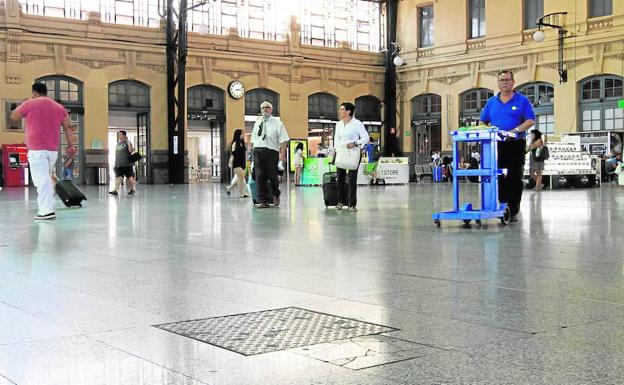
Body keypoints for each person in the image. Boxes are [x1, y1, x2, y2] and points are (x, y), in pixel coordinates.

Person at [10, 82, 75, 220]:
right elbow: (68, 128)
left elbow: (14, 116)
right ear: (46, 92)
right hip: (52, 151)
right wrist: (71, 146)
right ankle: (48, 206)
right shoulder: (59, 107)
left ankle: (46, 211)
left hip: (36, 149)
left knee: (41, 181)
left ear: (34, 92)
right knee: (46, 178)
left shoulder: (31, 103)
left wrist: (23, 104)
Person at [480, 69, 536, 222]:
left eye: (507, 80)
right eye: (502, 80)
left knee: (514, 176)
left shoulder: (522, 100)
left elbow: (530, 120)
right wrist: (486, 130)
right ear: (498, 83)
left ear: (513, 82)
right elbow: (482, 121)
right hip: (497, 145)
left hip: (515, 144)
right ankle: (503, 206)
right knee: (499, 176)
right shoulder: (491, 103)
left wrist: (516, 130)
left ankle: (513, 210)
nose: (504, 82)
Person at [250, 101, 290, 208]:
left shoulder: (278, 123)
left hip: (271, 152)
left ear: (271, 110)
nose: (265, 110)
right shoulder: (257, 122)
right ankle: (263, 201)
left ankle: (276, 194)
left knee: (273, 177)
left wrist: (283, 155)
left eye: (267, 108)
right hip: (258, 152)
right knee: (260, 177)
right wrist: (252, 157)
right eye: (263, 108)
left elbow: (284, 140)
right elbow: (253, 140)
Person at [332, 102, 369, 212]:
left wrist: (355, 143)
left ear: (349, 111)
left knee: (352, 179)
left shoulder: (357, 123)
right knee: (340, 179)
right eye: (340, 109)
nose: (340, 111)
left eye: (342, 109)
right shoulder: (338, 124)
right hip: (341, 153)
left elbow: (366, 137)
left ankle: (352, 204)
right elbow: (336, 140)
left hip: (353, 153)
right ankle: (340, 202)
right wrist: (334, 153)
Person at [109, 130, 136, 196]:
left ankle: (133, 189)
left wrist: (129, 143)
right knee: (118, 176)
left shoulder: (127, 142)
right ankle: (115, 190)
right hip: (118, 163)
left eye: (120, 134)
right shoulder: (118, 143)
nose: (118, 135)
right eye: (118, 134)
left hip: (127, 163)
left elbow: (131, 151)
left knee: (129, 176)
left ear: (124, 135)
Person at [226, 129, 250, 198]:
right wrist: (231, 162)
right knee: (241, 178)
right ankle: (242, 193)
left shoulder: (242, 143)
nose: (243, 134)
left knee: (239, 178)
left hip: (242, 164)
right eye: (242, 133)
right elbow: (233, 154)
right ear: (238, 134)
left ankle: (229, 188)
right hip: (236, 164)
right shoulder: (235, 144)